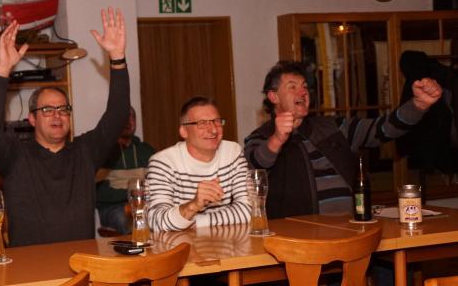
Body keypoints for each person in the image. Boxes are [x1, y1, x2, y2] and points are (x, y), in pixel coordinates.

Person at [0, 7, 130, 247]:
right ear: (32, 119)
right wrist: (2, 70)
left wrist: (117, 59)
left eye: (63, 109)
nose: (57, 115)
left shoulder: (85, 152)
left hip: (81, 271)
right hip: (32, 275)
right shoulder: (16, 156)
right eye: (47, 110)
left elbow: (117, 115)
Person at [244, 60, 443, 218]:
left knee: (399, 264)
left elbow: (383, 129)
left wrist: (418, 105)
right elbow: (255, 164)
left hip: (352, 227)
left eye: (304, 86)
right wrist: (278, 139)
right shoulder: (260, 137)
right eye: (292, 86)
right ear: (273, 97)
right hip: (300, 240)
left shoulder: (332, 127)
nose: (303, 92)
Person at [147, 96, 250, 232]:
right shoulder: (163, 162)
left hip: (226, 242)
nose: (213, 130)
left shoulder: (233, 152)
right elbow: (156, 222)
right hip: (180, 246)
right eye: (202, 123)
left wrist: (196, 222)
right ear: (184, 131)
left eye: (217, 121)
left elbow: (249, 210)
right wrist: (193, 205)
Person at [95, 106, 155, 234]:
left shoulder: (147, 150)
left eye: (132, 117)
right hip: (114, 209)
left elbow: (158, 181)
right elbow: (98, 193)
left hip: (144, 205)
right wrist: (133, 195)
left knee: (161, 217)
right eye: (123, 118)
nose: (128, 122)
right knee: (128, 220)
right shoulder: (103, 153)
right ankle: (140, 251)